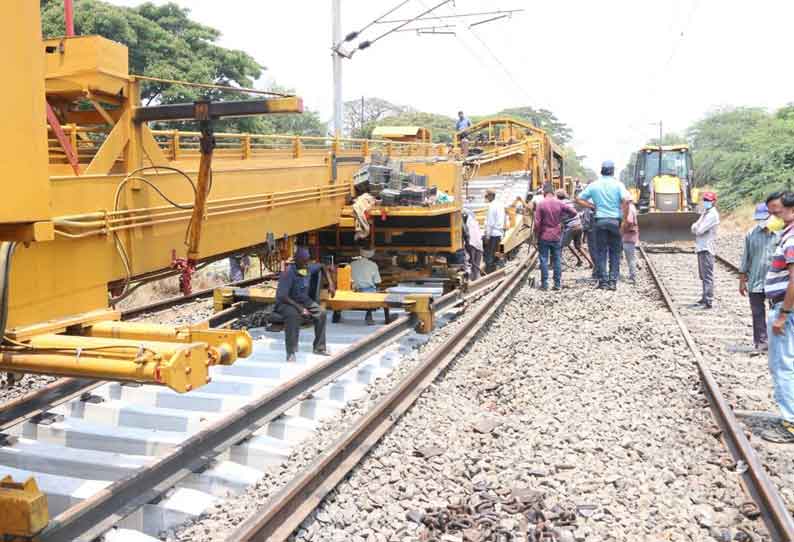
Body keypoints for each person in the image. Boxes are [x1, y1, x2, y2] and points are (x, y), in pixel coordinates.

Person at [762, 191, 794, 442]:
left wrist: (783, 313)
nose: (773, 217)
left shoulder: (791, 237)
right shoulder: (786, 235)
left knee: (783, 365)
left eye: (777, 212)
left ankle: (790, 423)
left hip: (786, 309)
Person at [575, 160, 631, 290]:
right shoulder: (618, 185)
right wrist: (625, 219)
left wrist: (592, 205)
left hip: (599, 221)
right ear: (612, 171)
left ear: (601, 170)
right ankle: (612, 282)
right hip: (614, 221)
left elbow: (578, 198)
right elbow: (626, 201)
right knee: (615, 252)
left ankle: (603, 281)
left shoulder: (594, 185)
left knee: (601, 252)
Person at [275, 247, 336, 362]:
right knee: (293, 315)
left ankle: (319, 347)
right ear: (296, 260)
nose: (306, 264)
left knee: (321, 313)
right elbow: (282, 296)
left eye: (307, 261)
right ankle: (291, 352)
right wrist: (300, 309)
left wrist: (331, 283)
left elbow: (322, 266)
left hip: (304, 300)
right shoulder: (287, 273)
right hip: (287, 302)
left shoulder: (306, 268)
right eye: (303, 261)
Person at [739, 202, 780, 351]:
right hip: (756, 281)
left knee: (776, 312)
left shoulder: (780, 234)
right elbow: (746, 258)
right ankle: (761, 342)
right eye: (759, 219)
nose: (761, 222)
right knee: (757, 313)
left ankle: (776, 342)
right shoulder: (751, 234)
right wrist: (742, 281)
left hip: (775, 282)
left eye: (764, 218)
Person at [535, 183, 577, 290]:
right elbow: (574, 212)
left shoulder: (541, 204)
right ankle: (557, 284)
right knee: (557, 259)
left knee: (544, 259)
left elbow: (537, 223)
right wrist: (562, 220)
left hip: (544, 235)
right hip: (557, 235)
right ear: (553, 192)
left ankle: (545, 284)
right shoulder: (559, 203)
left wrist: (537, 236)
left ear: (544, 192)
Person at [689, 192, 720, 309]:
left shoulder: (712, 215)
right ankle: (704, 298)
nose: (706, 202)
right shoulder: (705, 213)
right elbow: (694, 227)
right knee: (703, 275)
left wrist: (696, 227)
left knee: (707, 276)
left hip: (707, 248)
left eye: (708, 200)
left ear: (713, 201)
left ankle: (708, 301)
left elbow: (698, 230)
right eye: (705, 200)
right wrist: (696, 227)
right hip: (701, 247)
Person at [556, 189, 592, 269]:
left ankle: (557, 265)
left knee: (559, 246)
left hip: (571, 227)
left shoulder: (559, 204)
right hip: (579, 225)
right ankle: (589, 262)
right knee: (578, 246)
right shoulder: (570, 202)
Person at [351, 247, 382, 325]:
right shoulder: (373, 265)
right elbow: (378, 281)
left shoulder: (352, 264)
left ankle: (336, 314)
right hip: (368, 291)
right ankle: (369, 314)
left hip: (354, 291)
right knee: (375, 290)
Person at [484, 189, 506, 273]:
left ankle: (490, 272)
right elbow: (504, 218)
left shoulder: (492, 206)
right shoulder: (501, 204)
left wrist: (487, 236)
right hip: (501, 234)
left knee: (490, 255)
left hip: (494, 235)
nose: (486, 198)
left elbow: (490, 223)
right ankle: (501, 270)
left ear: (491, 196)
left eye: (487, 196)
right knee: (501, 253)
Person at [621, 198, 640, 284]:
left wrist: (622, 229)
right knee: (631, 255)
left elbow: (629, 221)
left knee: (630, 257)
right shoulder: (633, 207)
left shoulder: (629, 209)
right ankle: (637, 265)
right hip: (631, 235)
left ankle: (633, 277)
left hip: (628, 236)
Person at [463, 208, 484, 281]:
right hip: (478, 244)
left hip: (473, 244)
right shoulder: (474, 222)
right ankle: (477, 279)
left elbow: (467, 236)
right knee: (475, 265)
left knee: (473, 264)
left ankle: (475, 280)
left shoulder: (468, 223)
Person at [580, 203, 598, 280]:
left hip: (591, 232)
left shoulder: (587, 209)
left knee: (593, 252)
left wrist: (583, 234)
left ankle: (596, 271)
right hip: (600, 231)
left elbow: (586, 223)